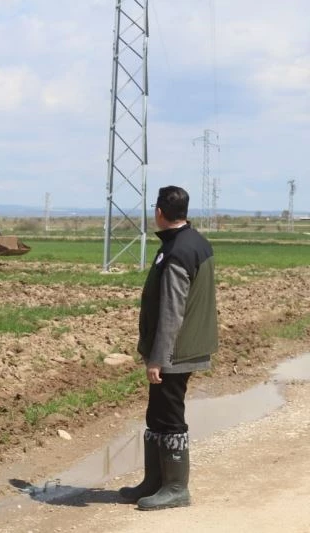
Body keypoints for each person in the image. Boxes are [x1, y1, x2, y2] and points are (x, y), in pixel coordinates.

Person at [119, 185, 218, 510]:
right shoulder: (193, 242)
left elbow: (172, 311)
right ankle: (155, 481)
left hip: (176, 350)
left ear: (159, 212)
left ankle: (176, 488)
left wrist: (158, 359)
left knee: (170, 415)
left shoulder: (178, 252)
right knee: (157, 413)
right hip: (180, 346)